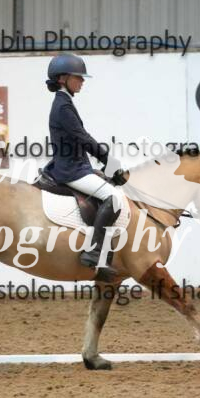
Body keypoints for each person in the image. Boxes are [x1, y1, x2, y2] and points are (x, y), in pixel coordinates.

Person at [42, 53, 125, 280]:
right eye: (78, 77)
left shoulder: (65, 102)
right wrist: (109, 161)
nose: (82, 81)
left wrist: (102, 169)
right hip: (70, 170)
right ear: (62, 78)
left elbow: (80, 141)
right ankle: (94, 253)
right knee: (113, 198)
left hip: (76, 166)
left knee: (109, 189)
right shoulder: (63, 106)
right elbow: (83, 138)